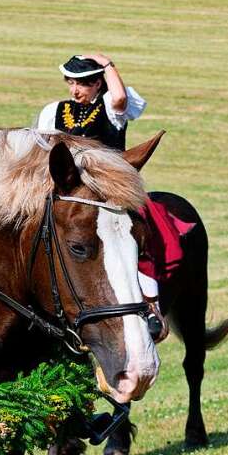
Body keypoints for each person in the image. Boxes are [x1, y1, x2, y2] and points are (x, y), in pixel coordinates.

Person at [35, 53, 191, 339]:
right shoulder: (54, 111)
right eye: (70, 82)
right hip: (71, 192)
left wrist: (107, 65)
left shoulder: (110, 108)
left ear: (97, 84)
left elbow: (119, 98)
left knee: (134, 237)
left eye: (81, 84)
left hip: (109, 191)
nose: (74, 90)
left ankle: (151, 306)